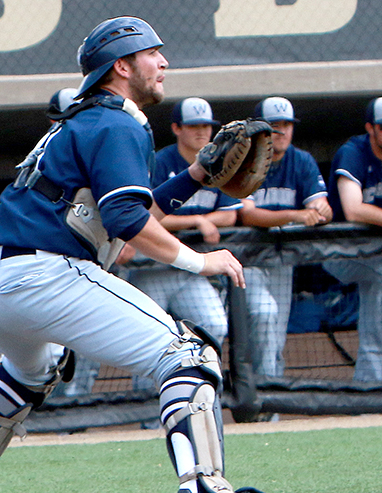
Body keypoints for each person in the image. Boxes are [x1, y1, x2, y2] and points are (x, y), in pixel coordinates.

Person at [0, 16, 279, 493]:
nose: (163, 63)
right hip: (43, 274)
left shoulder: (85, 120)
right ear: (122, 66)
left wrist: (196, 175)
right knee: (189, 355)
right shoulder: (117, 123)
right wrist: (201, 261)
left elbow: (126, 210)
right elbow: (127, 220)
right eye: (152, 54)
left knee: (29, 370)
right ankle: (202, 492)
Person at [130, 97, 242, 352]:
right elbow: (143, 215)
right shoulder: (160, 161)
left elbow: (229, 215)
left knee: (214, 324)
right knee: (145, 336)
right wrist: (197, 220)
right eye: (193, 126)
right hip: (151, 268)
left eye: (206, 125)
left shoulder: (220, 162)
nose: (201, 132)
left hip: (191, 270)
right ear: (176, 128)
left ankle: (196, 375)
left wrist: (203, 222)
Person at [239, 97, 331, 378]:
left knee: (275, 337)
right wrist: (297, 215)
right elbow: (247, 214)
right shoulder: (244, 159)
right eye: (275, 125)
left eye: (287, 125)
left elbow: (320, 206)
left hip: (282, 261)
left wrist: (320, 210)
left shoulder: (301, 160)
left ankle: (269, 398)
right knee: (263, 315)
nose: (282, 131)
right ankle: (257, 391)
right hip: (246, 261)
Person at [322, 97, 382, 381]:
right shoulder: (353, 152)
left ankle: (369, 382)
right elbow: (354, 209)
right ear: (370, 128)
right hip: (339, 252)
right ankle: (372, 384)